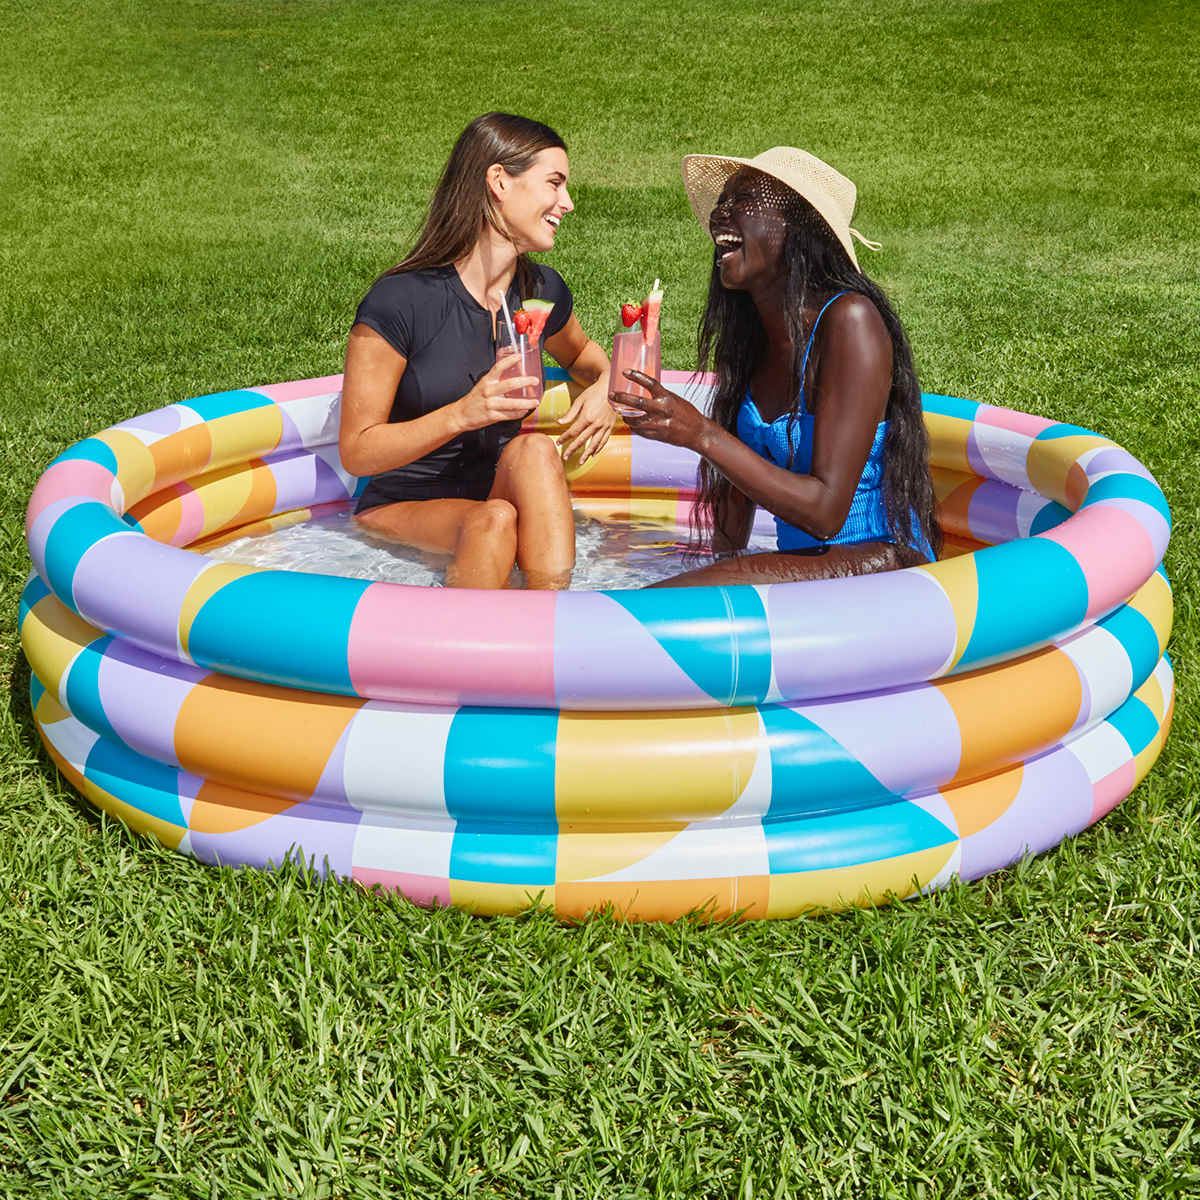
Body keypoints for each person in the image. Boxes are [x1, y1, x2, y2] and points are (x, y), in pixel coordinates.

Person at [612, 147, 940, 586]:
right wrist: (710, 566)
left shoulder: (850, 321)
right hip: (817, 569)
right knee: (694, 583)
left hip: (882, 564)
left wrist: (700, 434)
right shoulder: (753, 340)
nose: (719, 214)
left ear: (798, 228)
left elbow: (825, 514)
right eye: (721, 202)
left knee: (706, 587)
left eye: (742, 200)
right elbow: (733, 519)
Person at [339, 113, 614, 589]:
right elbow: (358, 451)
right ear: (499, 181)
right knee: (491, 523)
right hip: (407, 502)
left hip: (495, 490)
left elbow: (587, 357)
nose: (567, 203)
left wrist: (607, 387)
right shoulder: (402, 300)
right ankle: (469, 661)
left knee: (533, 450)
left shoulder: (539, 292)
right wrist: (464, 413)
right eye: (554, 183)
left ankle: (555, 620)